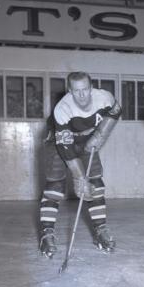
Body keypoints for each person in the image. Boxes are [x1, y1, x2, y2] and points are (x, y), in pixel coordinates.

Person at [38, 71, 122, 258]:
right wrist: (78, 176)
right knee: (55, 187)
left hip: (86, 140)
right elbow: (66, 148)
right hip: (58, 142)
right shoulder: (63, 109)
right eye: (77, 91)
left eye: (85, 89)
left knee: (96, 184)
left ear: (91, 88)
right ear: (70, 91)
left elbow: (116, 111)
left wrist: (101, 134)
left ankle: (100, 230)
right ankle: (47, 234)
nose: (82, 95)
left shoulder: (104, 97)